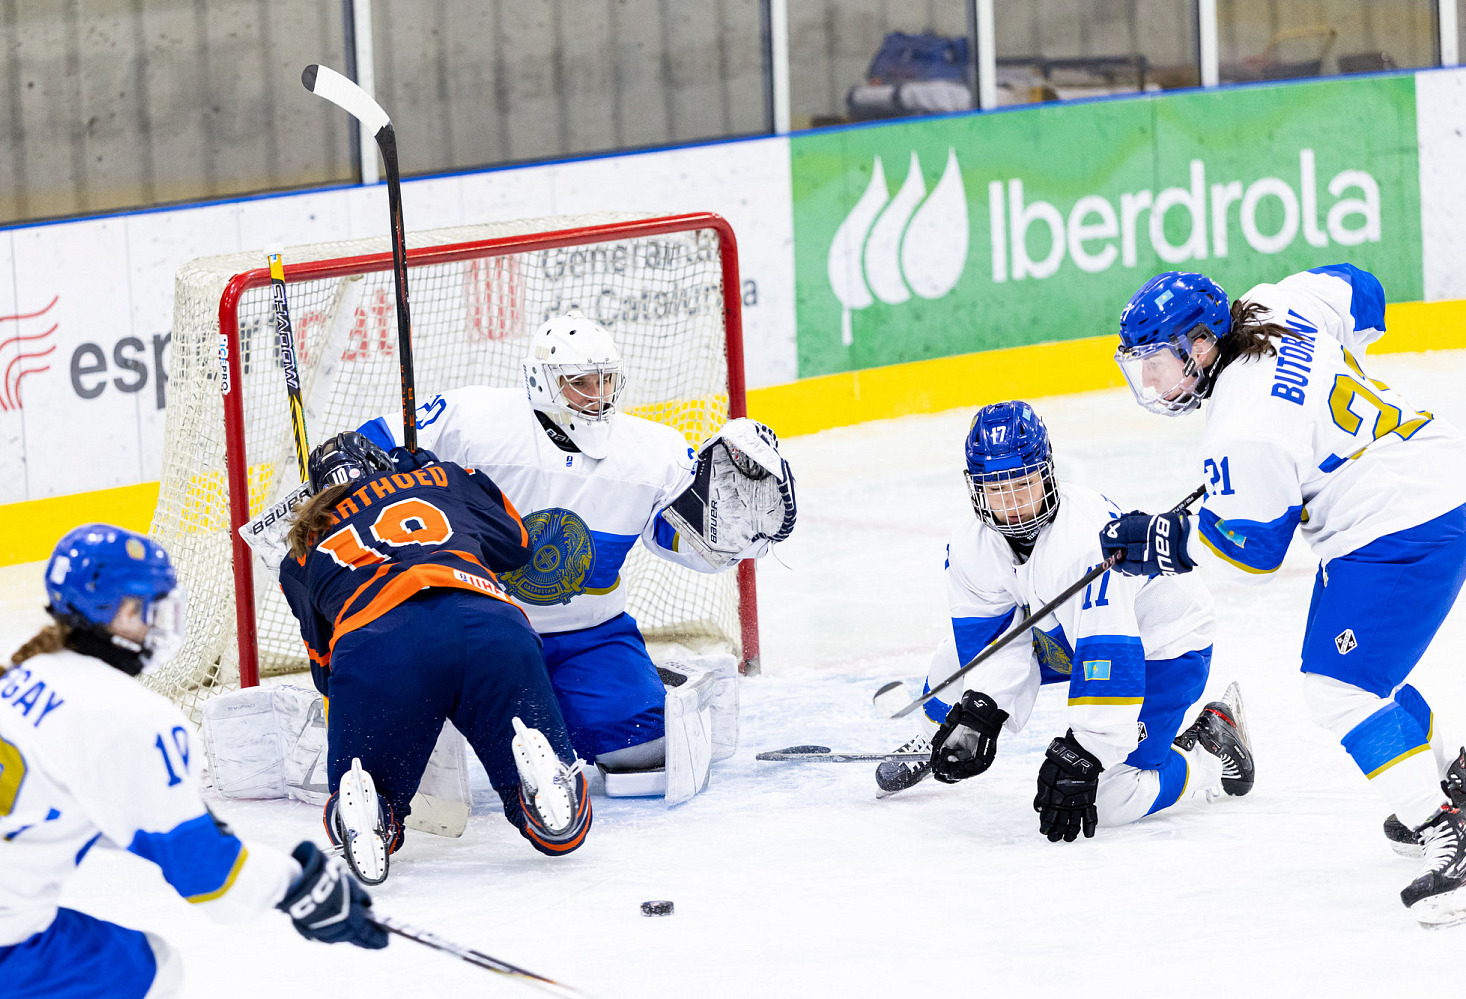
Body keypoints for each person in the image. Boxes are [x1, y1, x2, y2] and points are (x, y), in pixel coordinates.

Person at [1104, 265, 1466, 926]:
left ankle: (1447, 830)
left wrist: (1166, 540)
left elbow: (1252, 552)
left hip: (1398, 520)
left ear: (1202, 345)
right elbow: (1364, 290)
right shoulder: (1274, 302)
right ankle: (1454, 780)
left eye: (1158, 363)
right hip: (1425, 473)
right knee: (1355, 675)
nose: (1151, 382)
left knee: (1337, 686)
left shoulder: (1242, 427)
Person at [353, 311, 796, 795]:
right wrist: (376, 465)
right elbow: (372, 442)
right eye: (579, 382)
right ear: (541, 381)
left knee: (643, 753)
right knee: (455, 752)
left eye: (606, 381)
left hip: (593, 633)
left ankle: (583, 700)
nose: (596, 395)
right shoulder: (474, 419)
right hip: (486, 634)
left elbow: (682, 541)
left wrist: (730, 538)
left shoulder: (654, 451)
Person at [0, 524, 384, 999]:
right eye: (151, 607)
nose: (163, 622)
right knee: (153, 969)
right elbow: (211, 881)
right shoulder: (132, 718)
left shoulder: (13, 677)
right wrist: (298, 883)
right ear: (122, 613)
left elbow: (97, 815)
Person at [880, 401, 1254, 845]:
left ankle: (1208, 748)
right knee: (954, 663)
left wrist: (1087, 751)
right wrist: (981, 714)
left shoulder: (1082, 541)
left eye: (1023, 483)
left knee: (1110, 800)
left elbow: (1109, 654)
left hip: (1163, 648)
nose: (1014, 503)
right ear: (975, 490)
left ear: (1047, 473)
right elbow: (992, 643)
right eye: (997, 488)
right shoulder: (971, 548)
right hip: (1075, 633)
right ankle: (938, 739)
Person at [278, 432, 591, 884]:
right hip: (488, 624)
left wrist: (359, 716)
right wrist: (445, 471)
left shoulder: (299, 553)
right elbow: (518, 543)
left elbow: (323, 666)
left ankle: (369, 803)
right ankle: (539, 773)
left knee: (370, 777)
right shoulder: (442, 479)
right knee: (558, 833)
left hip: (375, 643)